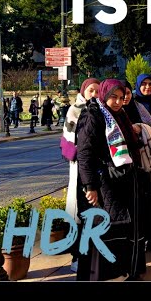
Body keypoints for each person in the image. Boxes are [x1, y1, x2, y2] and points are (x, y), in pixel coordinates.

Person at [75, 79, 146, 281]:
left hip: (124, 179)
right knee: (103, 227)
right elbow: (85, 154)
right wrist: (90, 186)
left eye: (121, 97)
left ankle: (126, 270)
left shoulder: (120, 115)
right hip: (103, 181)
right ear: (104, 95)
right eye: (113, 97)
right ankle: (99, 275)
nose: (117, 101)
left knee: (122, 227)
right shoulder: (93, 116)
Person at [62, 77, 100, 273]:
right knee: (80, 213)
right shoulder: (74, 110)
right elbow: (67, 141)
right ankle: (77, 256)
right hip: (79, 169)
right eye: (91, 91)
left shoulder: (101, 111)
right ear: (84, 91)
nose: (94, 95)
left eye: (97, 91)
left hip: (96, 170)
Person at [122, 80, 151, 253]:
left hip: (143, 162)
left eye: (127, 93)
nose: (123, 98)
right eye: (120, 94)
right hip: (121, 167)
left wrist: (140, 127)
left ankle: (148, 237)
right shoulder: (108, 112)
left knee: (145, 200)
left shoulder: (138, 108)